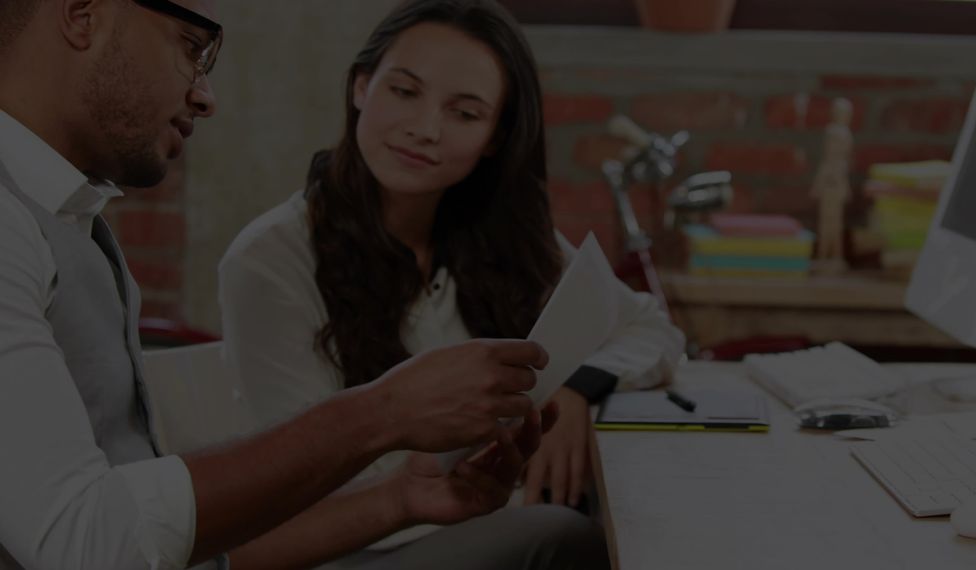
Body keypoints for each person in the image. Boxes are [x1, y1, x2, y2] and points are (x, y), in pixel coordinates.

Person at [0, 1, 605, 568]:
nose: (206, 95)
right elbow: (85, 540)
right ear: (83, 15)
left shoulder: (74, 222)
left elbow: (144, 538)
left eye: (465, 112)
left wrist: (401, 497)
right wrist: (383, 411)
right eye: (190, 46)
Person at [218, 0, 686, 554]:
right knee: (567, 537)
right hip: (364, 548)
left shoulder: (503, 237)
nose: (424, 129)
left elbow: (652, 329)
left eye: (464, 113)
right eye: (404, 91)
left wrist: (578, 389)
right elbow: (298, 486)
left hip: (499, 525)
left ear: (493, 136)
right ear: (361, 88)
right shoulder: (271, 260)